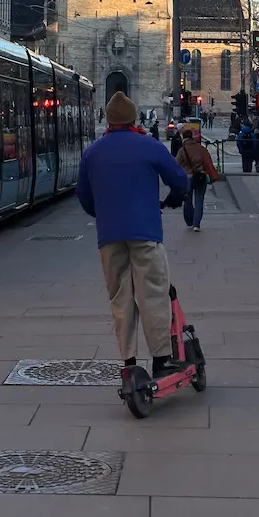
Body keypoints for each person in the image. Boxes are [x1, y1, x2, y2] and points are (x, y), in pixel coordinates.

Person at [76, 92, 189, 378]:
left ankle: (128, 361)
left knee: (120, 298)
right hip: (145, 232)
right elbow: (179, 180)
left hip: (109, 237)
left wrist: (104, 216)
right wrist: (175, 198)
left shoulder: (92, 152)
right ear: (134, 117)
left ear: (108, 120)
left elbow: (85, 197)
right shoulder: (148, 146)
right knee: (153, 294)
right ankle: (162, 359)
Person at [176, 125, 222, 231]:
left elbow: (176, 165)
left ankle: (189, 220)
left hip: (187, 178)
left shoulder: (182, 150)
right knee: (199, 200)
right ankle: (196, 224)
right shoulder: (200, 148)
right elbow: (208, 162)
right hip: (201, 176)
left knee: (187, 200)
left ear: (184, 138)